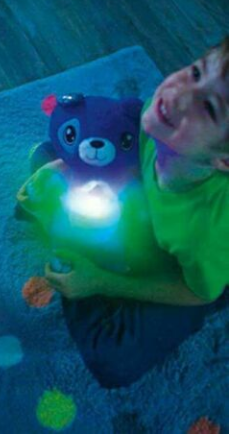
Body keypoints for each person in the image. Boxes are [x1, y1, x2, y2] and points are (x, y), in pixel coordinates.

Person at [21, 37, 229, 387]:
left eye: (208, 107)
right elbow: (129, 146)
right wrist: (66, 167)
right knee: (54, 156)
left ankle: (82, 264)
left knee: (111, 358)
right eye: (196, 72)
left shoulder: (211, 225)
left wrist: (98, 281)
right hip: (161, 222)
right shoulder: (159, 116)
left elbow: (199, 292)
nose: (178, 93)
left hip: (198, 276)